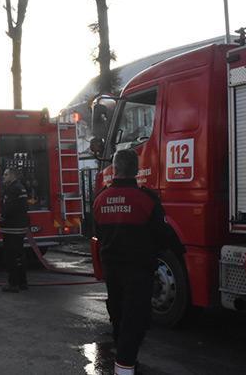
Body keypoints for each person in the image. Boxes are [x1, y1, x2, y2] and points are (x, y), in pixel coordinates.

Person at [92, 149, 171, 375]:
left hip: (111, 268)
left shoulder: (100, 199)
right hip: (138, 269)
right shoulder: (146, 199)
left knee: (118, 312)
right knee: (134, 318)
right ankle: (125, 368)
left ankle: (122, 357)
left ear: (114, 169)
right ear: (136, 170)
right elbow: (162, 235)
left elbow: (96, 232)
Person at [0, 167, 30, 293]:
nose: (3, 176)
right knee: (19, 256)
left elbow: (9, 207)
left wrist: (2, 216)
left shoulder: (12, 189)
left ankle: (13, 284)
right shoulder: (21, 187)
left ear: (12, 176)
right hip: (20, 227)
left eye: (6, 174)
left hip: (11, 228)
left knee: (10, 257)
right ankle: (23, 282)